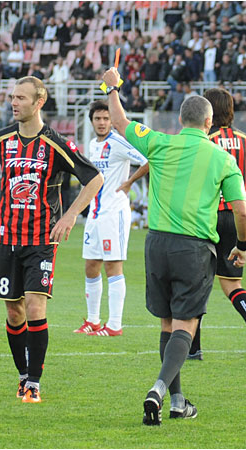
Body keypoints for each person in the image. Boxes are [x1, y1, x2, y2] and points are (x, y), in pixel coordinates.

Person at [102, 66, 246, 426]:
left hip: (156, 244)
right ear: (209, 122)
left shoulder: (159, 142)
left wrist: (113, 86)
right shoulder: (222, 158)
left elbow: (120, 121)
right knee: (186, 324)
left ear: (181, 119)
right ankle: (157, 389)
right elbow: (242, 210)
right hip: (193, 248)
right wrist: (242, 245)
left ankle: (177, 400)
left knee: (167, 323)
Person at [0, 76, 103, 404]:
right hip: (8, 238)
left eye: (21, 98)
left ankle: (34, 382)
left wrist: (71, 214)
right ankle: (22, 375)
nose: (14, 103)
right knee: (13, 311)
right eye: (12, 97)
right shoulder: (2, 139)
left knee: (35, 305)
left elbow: (94, 179)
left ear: (39, 102)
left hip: (41, 239)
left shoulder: (56, 143)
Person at [188, 88, 246, 365]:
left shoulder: (205, 139)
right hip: (236, 218)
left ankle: (193, 348)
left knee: (197, 284)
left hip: (207, 218)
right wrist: (242, 207)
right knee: (233, 284)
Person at [74, 101, 148, 337]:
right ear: (92, 121)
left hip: (114, 213)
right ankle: (94, 321)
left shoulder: (118, 142)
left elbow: (149, 159)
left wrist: (130, 182)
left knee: (113, 266)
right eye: (98, 119)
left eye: (106, 118)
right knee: (91, 266)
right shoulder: (93, 145)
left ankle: (115, 324)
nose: (103, 122)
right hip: (94, 214)